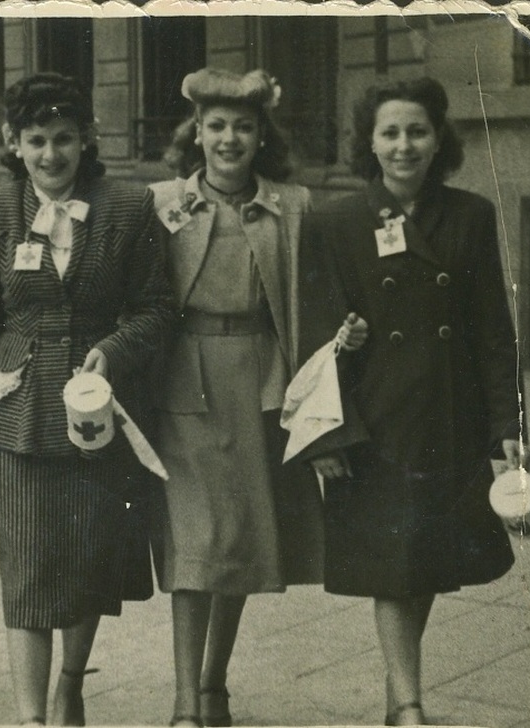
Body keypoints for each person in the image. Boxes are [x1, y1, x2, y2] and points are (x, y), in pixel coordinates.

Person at [298, 76, 530, 726]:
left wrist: (507, 426)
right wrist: (326, 438)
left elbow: (493, 331)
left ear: (438, 140)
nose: (404, 145)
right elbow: (313, 336)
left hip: (449, 420)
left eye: (417, 131)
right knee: (394, 569)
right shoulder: (332, 221)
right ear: (368, 143)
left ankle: (398, 694)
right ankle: (408, 706)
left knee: (423, 562)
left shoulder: (472, 215)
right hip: (374, 422)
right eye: (391, 132)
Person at [0, 72, 174, 726]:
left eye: (64, 139)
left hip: (97, 415)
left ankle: (69, 683)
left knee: (87, 566)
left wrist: (117, 349)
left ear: (88, 139)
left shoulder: (128, 208)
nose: (51, 155)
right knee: (28, 573)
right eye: (36, 140)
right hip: (14, 422)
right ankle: (30, 718)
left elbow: (158, 310)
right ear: (13, 143)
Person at [148, 68, 367, 728]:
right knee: (195, 545)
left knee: (239, 543)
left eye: (243, 127)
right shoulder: (161, 203)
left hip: (261, 388)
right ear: (196, 135)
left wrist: (324, 415)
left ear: (260, 138)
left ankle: (215, 683)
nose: (229, 139)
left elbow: (316, 300)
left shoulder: (293, 205)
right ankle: (187, 700)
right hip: (183, 387)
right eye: (216, 126)